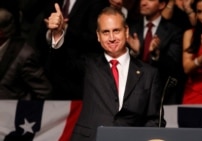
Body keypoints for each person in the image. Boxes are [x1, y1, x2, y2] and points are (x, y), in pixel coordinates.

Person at [46, 6, 166, 141]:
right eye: (105, 32)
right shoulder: (88, 65)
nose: (112, 38)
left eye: (116, 31)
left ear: (126, 31)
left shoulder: (149, 74)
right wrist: (56, 35)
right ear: (98, 36)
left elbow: (154, 119)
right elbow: (59, 65)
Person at [127, 0, 185, 104]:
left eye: (150, 0)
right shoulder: (130, 27)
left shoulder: (174, 31)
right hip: (133, 93)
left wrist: (157, 55)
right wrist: (134, 53)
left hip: (161, 94)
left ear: (162, 4)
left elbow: (175, 66)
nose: (143, 3)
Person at [0, 2, 52, 99]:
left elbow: (44, 92)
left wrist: (24, 111)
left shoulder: (24, 55)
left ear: (1, 33)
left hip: (12, 111)